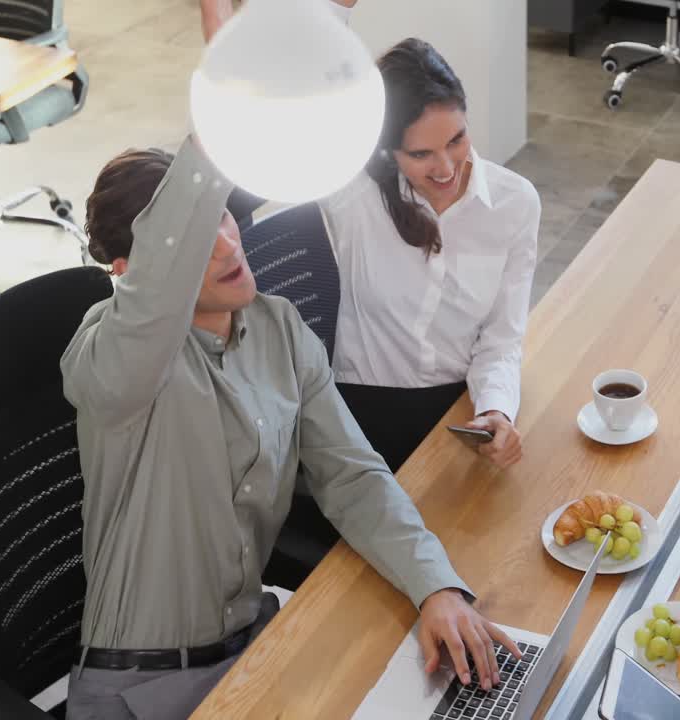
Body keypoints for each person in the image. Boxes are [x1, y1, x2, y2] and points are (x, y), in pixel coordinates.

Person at [60, 137, 517, 719]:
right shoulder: (110, 358)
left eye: (224, 216)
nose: (230, 243)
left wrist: (438, 588)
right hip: (140, 689)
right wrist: (219, 112)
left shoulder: (277, 328)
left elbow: (352, 475)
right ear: (129, 276)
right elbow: (147, 304)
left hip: (253, 647)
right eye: (198, 241)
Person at [320, 34, 539, 474]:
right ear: (388, 150)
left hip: (458, 408)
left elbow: (501, 339)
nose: (446, 168)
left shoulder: (515, 203)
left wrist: (497, 409)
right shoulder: (349, 198)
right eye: (421, 154)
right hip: (357, 416)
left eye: (456, 139)